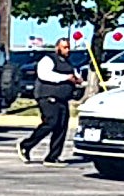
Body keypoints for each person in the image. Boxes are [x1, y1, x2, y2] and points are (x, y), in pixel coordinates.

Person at [18, 37, 84, 165]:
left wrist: (77, 80)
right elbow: (44, 75)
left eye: (68, 47)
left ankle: (52, 157)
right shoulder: (48, 59)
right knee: (51, 123)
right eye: (64, 47)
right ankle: (26, 145)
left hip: (63, 99)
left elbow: (75, 76)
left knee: (62, 127)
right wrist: (66, 78)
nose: (67, 50)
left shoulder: (68, 63)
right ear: (57, 47)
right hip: (48, 96)